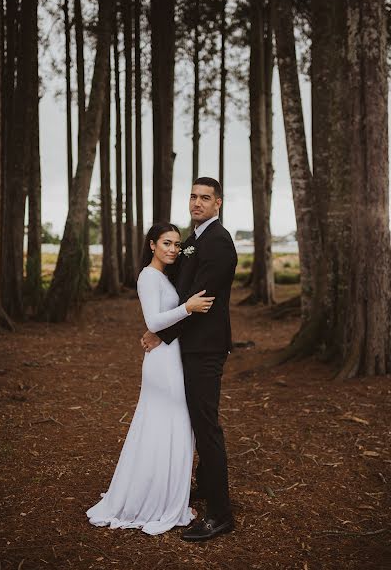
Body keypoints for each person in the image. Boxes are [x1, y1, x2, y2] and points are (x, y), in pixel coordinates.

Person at [86, 222, 215, 535]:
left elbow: (161, 325)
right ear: (152, 244)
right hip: (162, 365)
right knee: (169, 426)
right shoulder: (147, 276)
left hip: (171, 357)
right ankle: (155, 501)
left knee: (170, 428)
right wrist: (187, 307)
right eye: (166, 243)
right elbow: (154, 320)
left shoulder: (163, 276)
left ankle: (166, 496)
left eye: (175, 244)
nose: (172, 249)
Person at [141, 177, 238, 542]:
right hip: (189, 345)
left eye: (205, 198)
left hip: (205, 348)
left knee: (206, 426)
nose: (197, 203)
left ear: (218, 203)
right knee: (195, 422)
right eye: (193, 196)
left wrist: (160, 334)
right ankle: (203, 485)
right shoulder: (195, 239)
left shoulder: (219, 243)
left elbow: (201, 300)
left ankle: (220, 514)